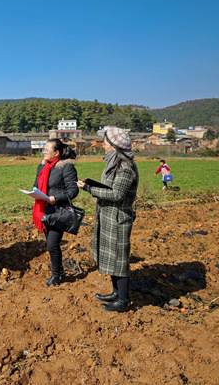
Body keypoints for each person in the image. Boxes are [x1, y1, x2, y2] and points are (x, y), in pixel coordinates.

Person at [77, 127, 139, 312]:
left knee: (119, 260)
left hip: (118, 219)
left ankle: (123, 300)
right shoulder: (114, 163)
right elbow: (109, 188)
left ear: (114, 145)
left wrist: (89, 189)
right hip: (108, 216)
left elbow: (117, 194)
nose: (103, 144)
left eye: (105, 141)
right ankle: (115, 293)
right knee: (111, 257)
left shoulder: (125, 167)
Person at [32, 139, 79, 286]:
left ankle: (57, 276)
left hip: (59, 212)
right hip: (44, 211)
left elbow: (73, 191)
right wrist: (33, 193)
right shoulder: (42, 167)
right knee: (51, 244)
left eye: (47, 149)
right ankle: (59, 271)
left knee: (52, 244)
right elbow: (35, 185)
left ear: (56, 153)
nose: (44, 152)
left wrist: (55, 198)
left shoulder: (66, 167)